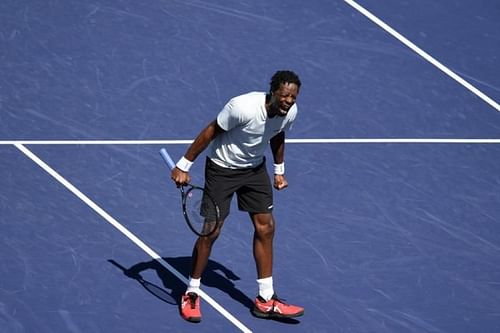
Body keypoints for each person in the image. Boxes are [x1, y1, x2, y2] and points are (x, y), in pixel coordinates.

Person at [170, 70, 304, 322]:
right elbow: (211, 130)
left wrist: (279, 170)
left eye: (293, 97)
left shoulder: (290, 113)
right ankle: (191, 291)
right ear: (273, 92)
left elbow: (277, 134)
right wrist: (183, 165)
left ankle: (265, 299)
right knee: (211, 231)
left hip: (254, 170)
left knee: (266, 228)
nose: (289, 100)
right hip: (222, 169)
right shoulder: (242, 107)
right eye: (285, 95)